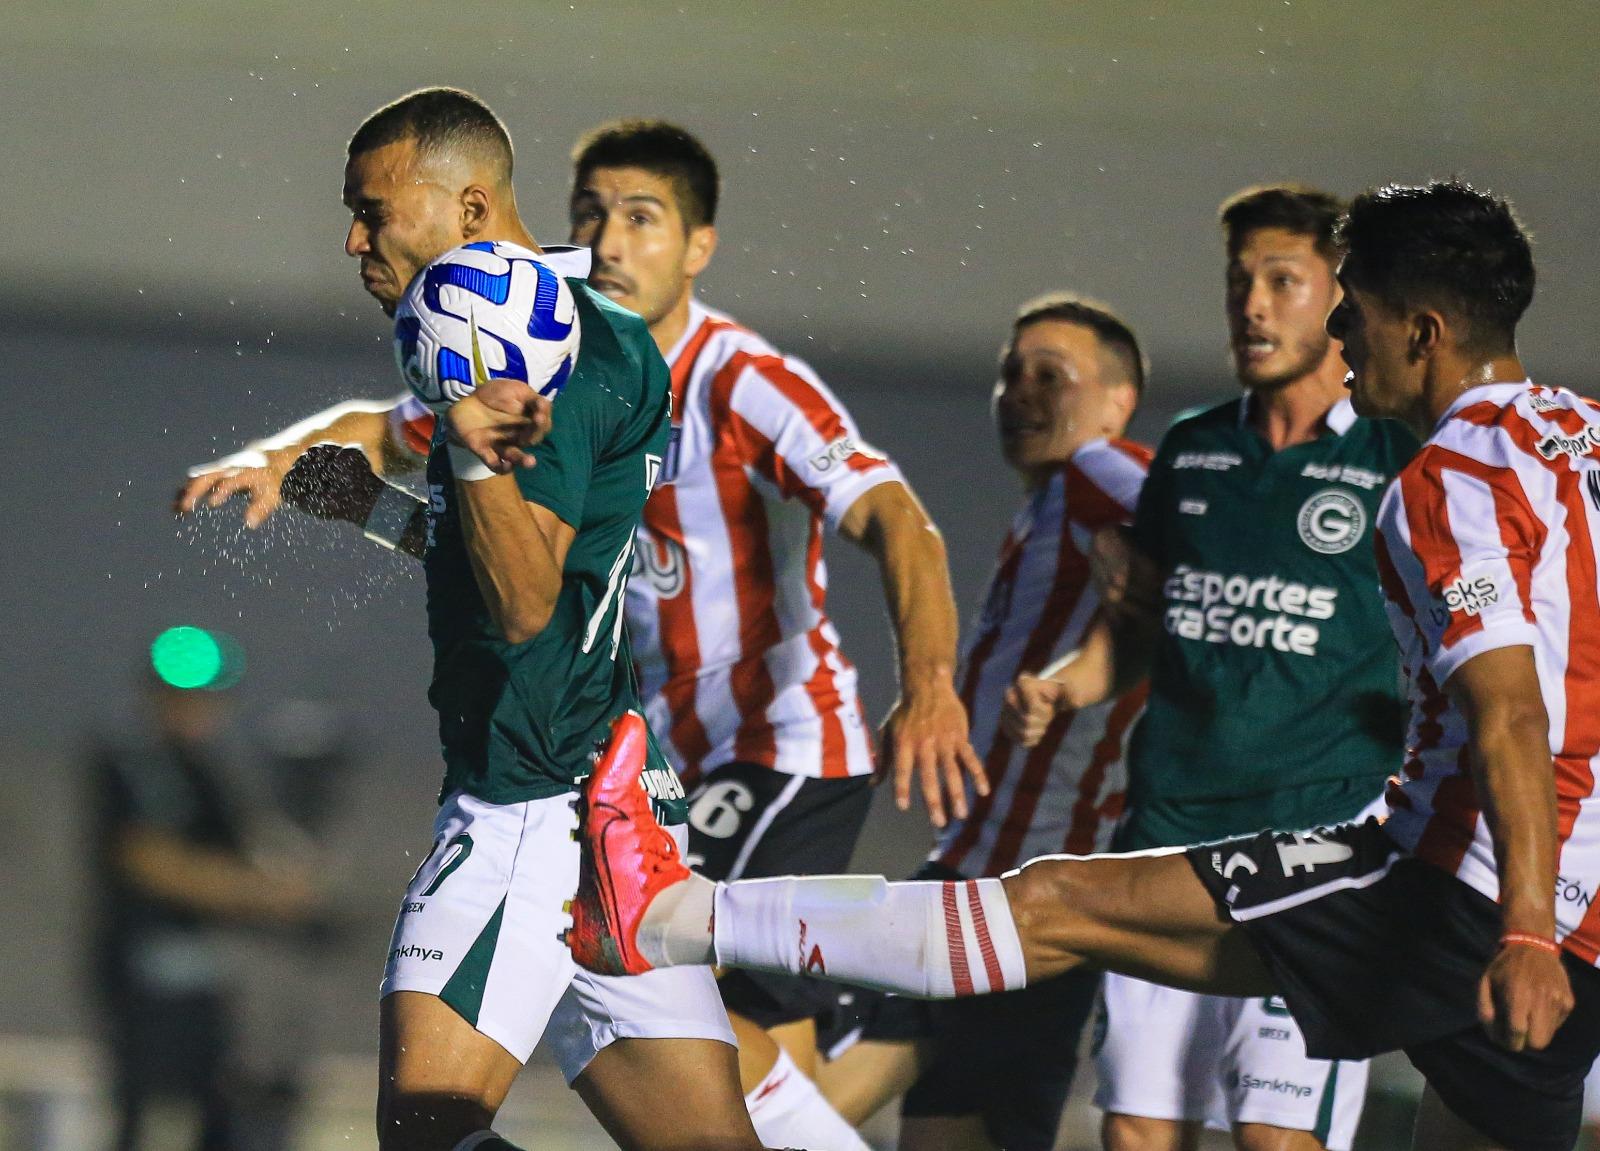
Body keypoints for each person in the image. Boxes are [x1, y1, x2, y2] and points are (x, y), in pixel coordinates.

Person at [569, 180, 1600, 1151]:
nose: (1339, 333)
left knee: (1057, 902)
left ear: (1420, 331)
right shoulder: (1581, 438)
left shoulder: (1451, 474)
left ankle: (664, 910)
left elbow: (1509, 713)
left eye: (1354, 310)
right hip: (1571, 906)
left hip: (1460, 884)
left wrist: (1521, 929)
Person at [180, 116, 981, 1150]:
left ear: (466, 207)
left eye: (370, 211)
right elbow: (479, 529)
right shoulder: (567, 331)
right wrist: (343, 487)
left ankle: (936, 1003)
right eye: (596, 211)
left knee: (427, 1134)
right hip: (626, 794)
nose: (353, 240)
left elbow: (522, 602)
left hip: (551, 795)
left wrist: (929, 679)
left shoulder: (544, 354)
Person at [1004, 185, 1416, 1151]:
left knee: (1276, 1137)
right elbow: (1142, 627)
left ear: (1341, 297)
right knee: (1139, 1131)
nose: (1253, 305)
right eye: (1240, 281)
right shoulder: (1193, 449)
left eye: (1283, 280)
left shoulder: (1403, 458)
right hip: (1168, 840)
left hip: (1318, 854)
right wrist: (1067, 681)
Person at [814, 294, 1151, 1151]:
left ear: (1118, 400)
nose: (1019, 391)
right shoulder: (1048, 508)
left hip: (1011, 886)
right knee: (945, 1131)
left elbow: (1176, 514)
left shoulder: (1097, 475)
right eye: (1011, 372)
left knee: (802, 1110)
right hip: (1005, 880)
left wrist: (1152, 543)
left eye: (1051, 375)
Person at [87, 629, 320, 1151]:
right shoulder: (130, 762)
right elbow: (149, 860)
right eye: (183, 695)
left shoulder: (214, 774)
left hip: (211, 991)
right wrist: (259, 893)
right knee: (152, 1124)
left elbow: (268, 855)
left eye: (208, 697)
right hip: (146, 988)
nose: (197, 709)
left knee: (219, 1121)